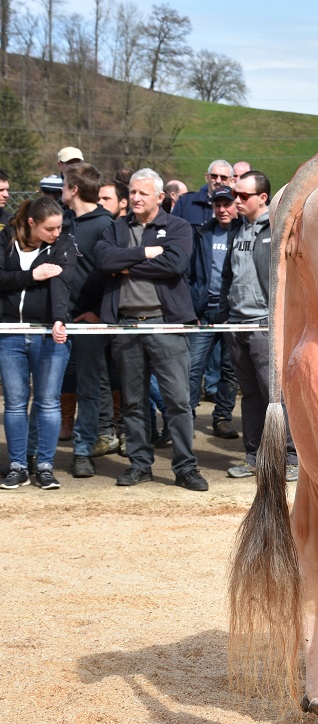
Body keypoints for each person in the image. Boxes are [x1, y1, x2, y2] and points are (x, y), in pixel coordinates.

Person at [95, 168, 208, 491]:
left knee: (178, 401)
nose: (136, 198)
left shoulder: (178, 226)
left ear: (160, 197)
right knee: (133, 402)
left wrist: (125, 264)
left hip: (166, 324)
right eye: (132, 192)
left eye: (143, 193)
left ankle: (185, 467)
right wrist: (144, 253)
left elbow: (174, 264)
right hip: (126, 325)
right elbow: (103, 259)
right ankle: (139, 464)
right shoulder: (116, 228)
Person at [220, 170, 299, 480]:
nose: (236, 201)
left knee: (275, 395)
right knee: (250, 395)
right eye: (235, 195)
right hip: (236, 326)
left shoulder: (278, 230)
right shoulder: (236, 231)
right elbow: (229, 277)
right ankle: (253, 457)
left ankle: (291, 457)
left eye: (243, 196)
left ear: (262, 198)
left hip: (266, 326)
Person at [0, 197, 76, 489]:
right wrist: (32, 276)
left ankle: (45, 466)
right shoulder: (5, 240)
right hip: (9, 333)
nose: (56, 233)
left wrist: (59, 319)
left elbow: (61, 283)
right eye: (50, 228)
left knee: (48, 402)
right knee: (16, 404)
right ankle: (18, 465)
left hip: (48, 335)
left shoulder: (63, 244)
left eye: (59, 227)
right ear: (31, 223)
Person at [61, 163, 117, 478]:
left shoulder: (105, 225)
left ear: (75, 190)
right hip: (58, 321)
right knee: (53, 390)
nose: (61, 191)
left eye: (64, 185)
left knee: (89, 387)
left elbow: (111, 274)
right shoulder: (64, 222)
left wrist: (97, 311)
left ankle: (83, 452)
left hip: (89, 323)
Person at [187, 185, 239, 439]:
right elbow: (190, 274)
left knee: (230, 369)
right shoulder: (202, 234)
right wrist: (191, 308)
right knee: (193, 367)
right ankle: (188, 417)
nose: (221, 209)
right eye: (217, 205)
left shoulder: (243, 233)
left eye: (226, 204)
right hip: (205, 312)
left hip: (233, 313)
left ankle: (222, 418)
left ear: (234, 205)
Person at [171, 160, 233, 226]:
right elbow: (172, 230)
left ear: (231, 181)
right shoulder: (185, 202)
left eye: (223, 178)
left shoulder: (236, 205)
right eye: (214, 176)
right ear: (207, 177)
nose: (218, 181)